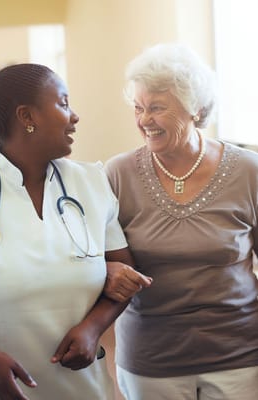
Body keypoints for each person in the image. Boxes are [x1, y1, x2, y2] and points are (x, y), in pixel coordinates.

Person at [0, 61, 152, 400]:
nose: (74, 116)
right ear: (27, 117)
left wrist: (92, 329)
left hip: (83, 386)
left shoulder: (90, 181)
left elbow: (126, 276)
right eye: (63, 103)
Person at [104, 43, 258, 400]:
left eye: (157, 108)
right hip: (152, 360)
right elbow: (96, 256)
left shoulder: (248, 171)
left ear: (196, 109)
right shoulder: (117, 174)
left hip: (240, 356)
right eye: (138, 108)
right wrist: (109, 270)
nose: (144, 121)